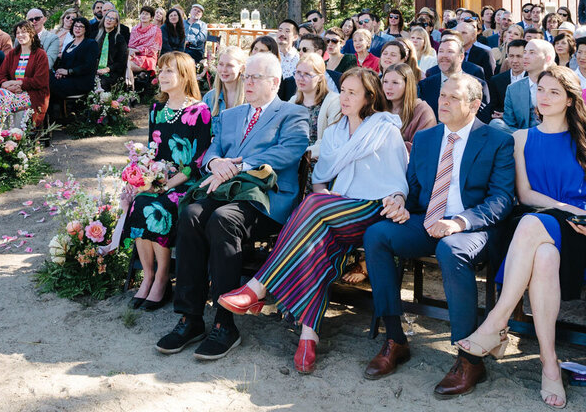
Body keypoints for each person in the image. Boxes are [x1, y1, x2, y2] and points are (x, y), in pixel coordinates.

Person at [218, 68, 407, 373]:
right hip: (335, 210)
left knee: (314, 205)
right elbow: (320, 180)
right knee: (317, 242)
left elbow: (398, 178)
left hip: (373, 208)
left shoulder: (384, 128)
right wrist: (328, 199)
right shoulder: (334, 133)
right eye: (342, 90)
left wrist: (395, 198)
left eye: (352, 93)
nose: (344, 98)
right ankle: (309, 335)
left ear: (369, 97)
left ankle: (258, 286)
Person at [459, 66, 586, 408]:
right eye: (540, 90)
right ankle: (549, 363)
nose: (544, 97)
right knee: (539, 244)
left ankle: (497, 323)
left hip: (581, 234)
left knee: (532, 227)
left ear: (571, 100)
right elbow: (525, 195)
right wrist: (563, 207)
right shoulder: (521, 139)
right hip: (539, 226)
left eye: (554, 92)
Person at [361, 72, 515, 396]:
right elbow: (413, 189)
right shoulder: (427, 138)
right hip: (428, 220)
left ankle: (469, 357)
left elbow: (501, 200)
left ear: (474, 105)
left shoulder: (498, 140)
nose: (442, 102)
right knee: (377, 235)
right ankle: (394, 338)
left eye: (452, 98)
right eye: (441, 96)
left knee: (450, 249)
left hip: (473, 227)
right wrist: (400, 201)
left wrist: (458, 222)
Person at [155, 52, 310, 361]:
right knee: (190, 214)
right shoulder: (231, 114)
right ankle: (191, 318)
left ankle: (225, 324)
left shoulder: (293, 114)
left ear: (275, 82)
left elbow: (290, 152)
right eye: (247, 76)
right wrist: (216, 161)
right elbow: (211, 149)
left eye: (256, 77)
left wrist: (239, 166)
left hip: (266, 198)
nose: (248, 82)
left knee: (222, 220)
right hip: (224, 188)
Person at [124, 52, 212, 310]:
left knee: (157, 208)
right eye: (160, 70)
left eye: (168, 71)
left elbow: (196, 161)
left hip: (186, 182)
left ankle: (163, 277)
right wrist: (144, 176)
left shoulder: (200, 111)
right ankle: (147, 275)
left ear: (184, 76)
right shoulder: (156, 109)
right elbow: (152, 151)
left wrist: (165, 185)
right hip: (158, 178)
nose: (161, 76)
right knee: (138, 203)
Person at [0, 21, 50, 135]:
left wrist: (18, 83)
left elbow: (40, 81)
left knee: (0, 98)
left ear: (32, 34)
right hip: (13, 92)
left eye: (24, 32)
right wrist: (6, 85)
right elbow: (0, 75)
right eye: (18, 33)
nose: (20, 35)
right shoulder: (13, 54)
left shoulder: (40, 54)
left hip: (33, 95)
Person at [497, 39, 557, 133]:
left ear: (547, 59)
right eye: (525, 52)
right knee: (495, 124)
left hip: (552, 137)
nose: (525, 57)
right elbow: (510, 124)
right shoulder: (513, 89)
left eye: (532, 53)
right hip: (522, 139)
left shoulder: (559, 86)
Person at [292, 53, 341, 149]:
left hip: (318, 159)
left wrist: (301, 154)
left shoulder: (334, 102)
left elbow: (331, 141)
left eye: (307, 74)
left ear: (320, 78)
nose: (300, 78)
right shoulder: (293, 101)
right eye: (298, 72)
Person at [383, 62, 435, 149]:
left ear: (407, 85)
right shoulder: (379, 107)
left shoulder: (423, 111)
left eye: (395, 83)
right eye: (385, 82)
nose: (388, 87)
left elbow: (421, 148)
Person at [51, 17, 100, 101]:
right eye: (75, 26)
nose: (77, 28)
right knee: (46, 79)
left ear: (86, 29)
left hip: (81, 81)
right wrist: (59, 72)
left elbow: (89, 66)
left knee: (49, 84)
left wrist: (68, 72)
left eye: (81, 26)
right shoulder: (69, 45)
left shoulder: (91, 44)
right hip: (67, 79)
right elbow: (63, 63)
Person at [203, 46, 246, 141]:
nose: (224, 70)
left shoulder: (249, 99)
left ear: (241, 68)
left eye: (229, 65)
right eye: (221, 64)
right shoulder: (209, 98)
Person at [94, 8, 130, 90]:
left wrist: (107, 69)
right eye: (108, 17)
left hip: (111, 72)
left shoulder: (119, 39)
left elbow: (121, 62)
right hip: (94, 70)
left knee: (102, 82)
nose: (109, 20)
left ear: (116, 23)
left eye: (112, 19)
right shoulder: (95, 35)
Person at [489, 39, 527, 116]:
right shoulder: (496, 80)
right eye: (511, 56)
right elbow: (493, 107)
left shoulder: (535, 79)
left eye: (519, 56)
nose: (514, 60)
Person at [128, 6, 162, 76]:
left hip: (148, 58)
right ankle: (130, 84)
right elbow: (130, 45)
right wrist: (133, 51)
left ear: (151, 18)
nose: (144, 16)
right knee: (124, 61)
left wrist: (137, 50)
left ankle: (130, 84)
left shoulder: (156, 30)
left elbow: (154, 50)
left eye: (147, 14)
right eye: (142, 13)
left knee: (127, 64)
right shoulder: (134, 29)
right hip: (133, 55)